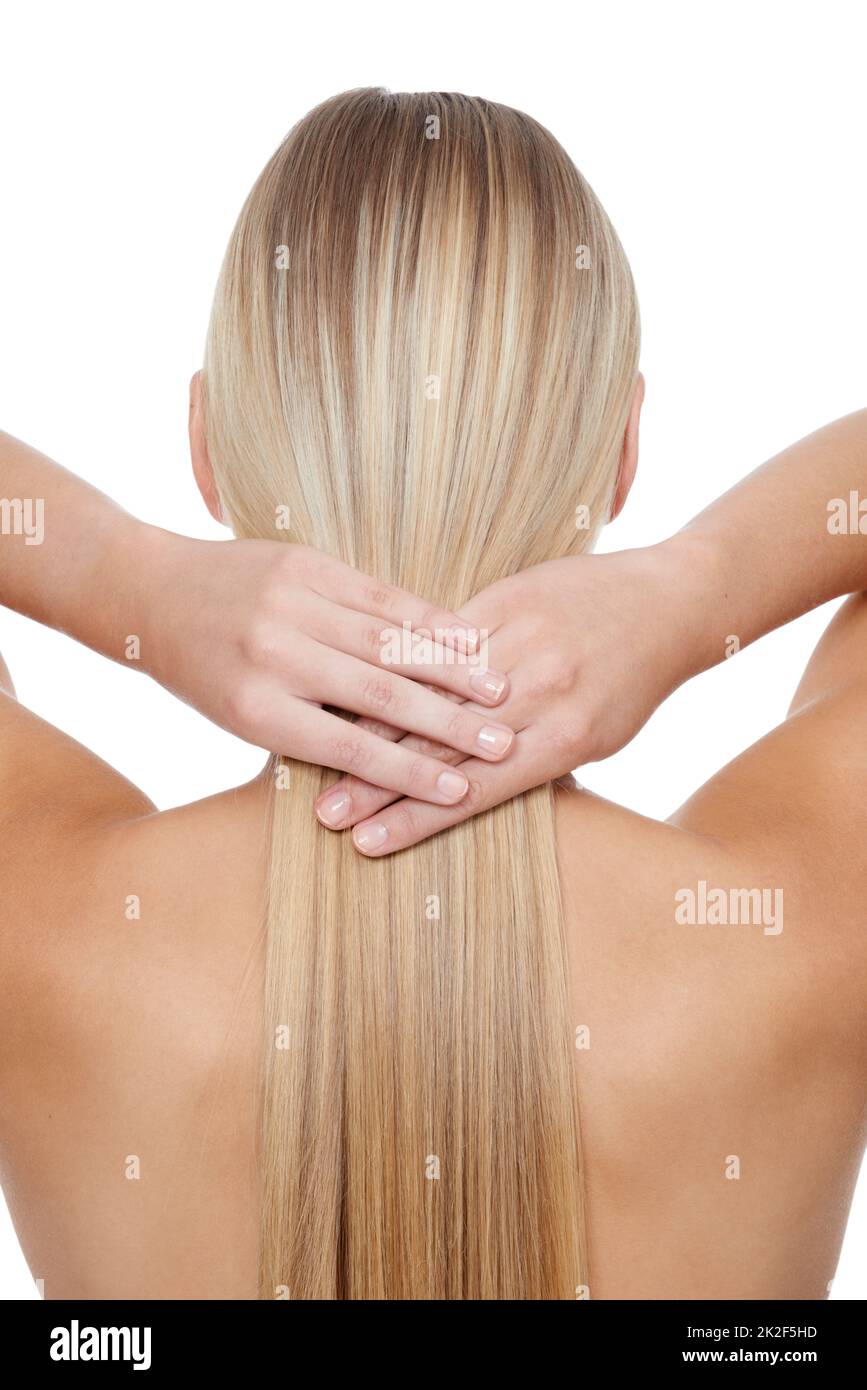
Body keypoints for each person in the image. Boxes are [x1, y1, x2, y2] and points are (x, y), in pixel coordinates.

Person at [0, 88, 864, 1300]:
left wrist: (124, 576)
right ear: (624, 454)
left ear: (203, 446)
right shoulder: (808, 922)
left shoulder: (41, 920)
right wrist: (692, 591)